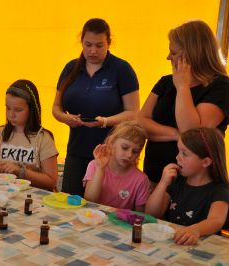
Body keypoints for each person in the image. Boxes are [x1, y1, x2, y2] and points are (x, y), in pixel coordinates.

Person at [52, 18, 139, 196]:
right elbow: (56, 107)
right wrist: (64, 118)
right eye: (88, 44)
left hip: (111, 155)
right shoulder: (71, 68)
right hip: (76, 150)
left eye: (99, 45)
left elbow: (133, 113)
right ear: (81, 42)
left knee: (101, 204)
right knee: (70, 200)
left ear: (109, 43)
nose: (92, 51)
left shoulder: (121, 69)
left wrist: (106, 122)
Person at [138, 20, 229, 187]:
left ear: (192, 54)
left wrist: (182, 86)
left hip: (193, 186)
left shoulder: (221, 86)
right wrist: (174, 134)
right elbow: (140, 122)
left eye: (173, 52)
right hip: (154, 177)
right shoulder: (165, 82)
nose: (168, 57)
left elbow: (191, 131)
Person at [145, 128, 229, 245]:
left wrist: (195, 230)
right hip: (174, 244)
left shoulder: (220, 189)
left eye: (184, 153)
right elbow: (151, 213)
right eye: (178, 151)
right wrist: (163, 183)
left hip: (202, 249)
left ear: (205, 162)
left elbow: (216, 220)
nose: (177, 157)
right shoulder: (177, 181)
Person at [0, 80, 58, 191]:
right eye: (8, 108)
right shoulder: (2, 134)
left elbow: (51, 182)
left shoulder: (43, 138)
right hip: (7, 194)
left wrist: (20, 171)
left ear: (31, 110)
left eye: (18, 110)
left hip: (34, 199)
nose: (11, 114)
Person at [83, 121, 149, 211]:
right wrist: (100, 169)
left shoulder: (141, 179)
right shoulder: (94, 165)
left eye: (135, 151)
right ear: (111, 143)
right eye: (125, 147)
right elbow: (90, 200)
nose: (129, 155)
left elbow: (140, 216)